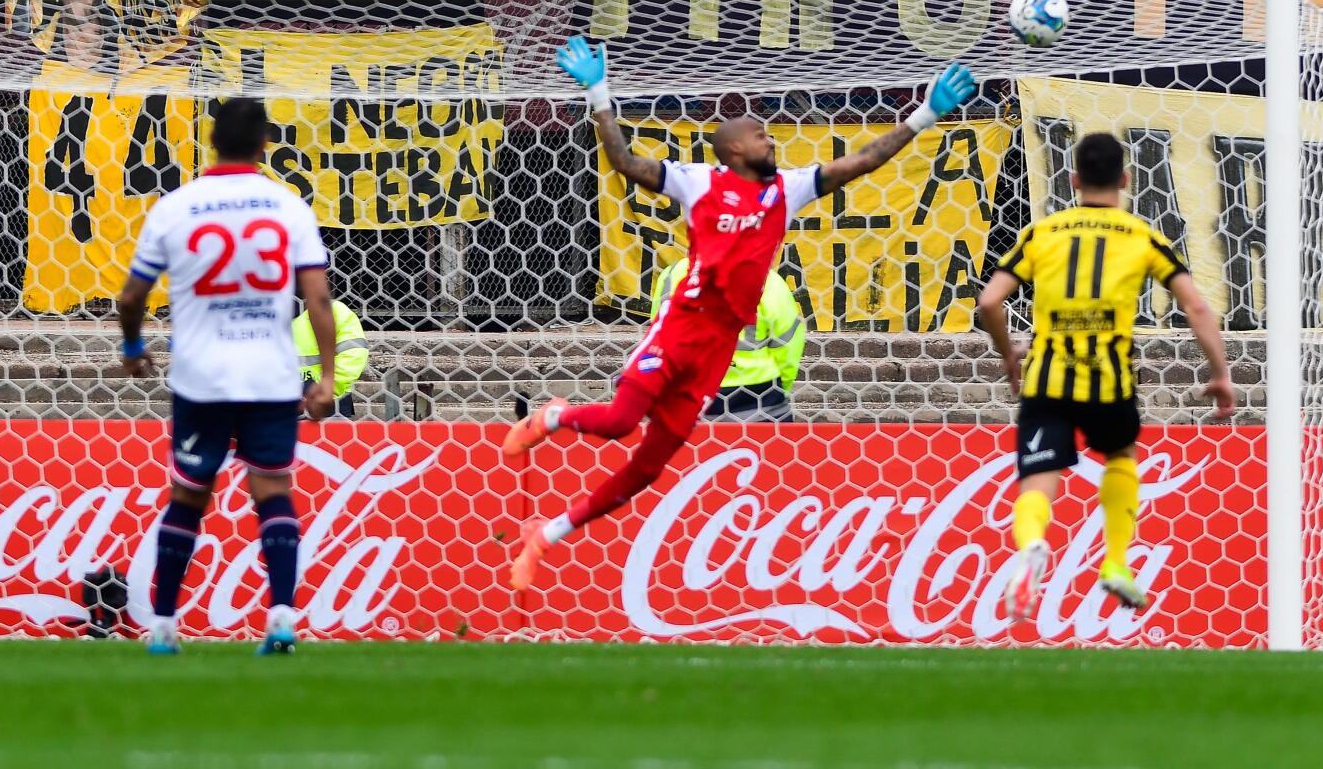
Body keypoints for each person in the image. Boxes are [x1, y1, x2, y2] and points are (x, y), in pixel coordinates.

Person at [501, 35, 977, 591]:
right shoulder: (699, 182)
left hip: (717, 349)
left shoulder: (788, 190)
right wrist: (600, 92)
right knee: (619, 423)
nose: (768, 137)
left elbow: (865, 160)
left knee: (649, 469)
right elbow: (624, 162)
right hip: (679, 328)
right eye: (758, 134)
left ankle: (547, 535)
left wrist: (925, 115)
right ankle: (552, 417)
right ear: (731, 150)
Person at [977, 132, 1236, 623]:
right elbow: (1197, 305)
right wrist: (1220, 373)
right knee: (1120, 456)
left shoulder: (1043, 233)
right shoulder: (1140, 236)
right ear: (1125, 179)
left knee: (1037, 479)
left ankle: (1032, 544)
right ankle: (1117, 560)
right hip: (1109, 381)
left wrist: (1008, 351)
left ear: (1073, 179)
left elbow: (990, 300)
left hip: (1048, 379)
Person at [117, 98, 336, 655]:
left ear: (211, 142)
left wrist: (134, 346)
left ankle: (164, 628)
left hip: (200, 377)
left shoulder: (176, 207)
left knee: (189, 494)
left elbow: (131, 295)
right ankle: (282, 619)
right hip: (268, 374)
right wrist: (327, 378)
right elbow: (318, 299)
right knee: (273, 490)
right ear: (265, 144)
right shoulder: (289, 208)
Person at [651, 257, 804, 421]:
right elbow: (788, 345)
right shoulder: (769, 280)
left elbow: (659, 336)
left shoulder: (673, 274)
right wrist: (780, 390)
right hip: (758, 396)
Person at [292, 299, 368, 417]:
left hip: (328, 401)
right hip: (280, 401)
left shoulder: (333, 310)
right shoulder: (265, 314)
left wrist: (327, 388)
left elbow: (354, 355)